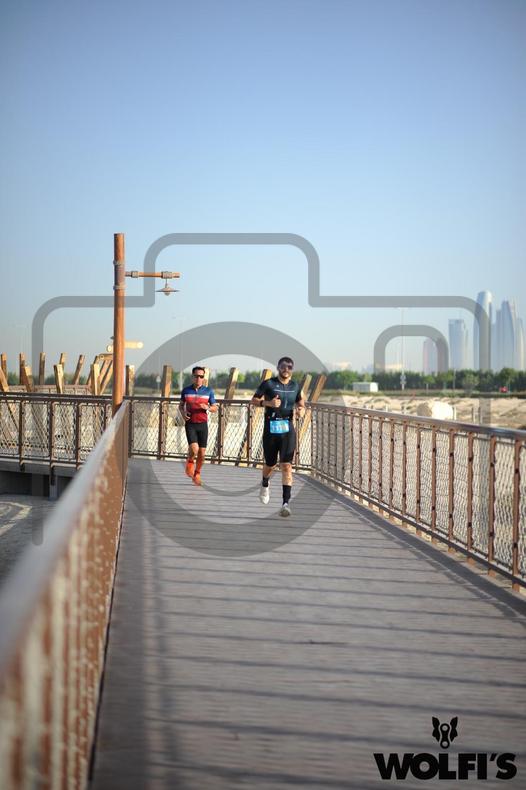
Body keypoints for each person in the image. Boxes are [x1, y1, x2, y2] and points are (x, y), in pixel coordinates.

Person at [251, 356, 305, 516]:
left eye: (289, 367)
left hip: (288, 430)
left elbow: (301, 403)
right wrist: (268, 403)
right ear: (278, 367)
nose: (286, 369)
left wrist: (301, 410)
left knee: (286, 465)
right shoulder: (268, 384)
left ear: (292, 369)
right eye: (283, 366)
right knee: (270, 464)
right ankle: (265, 483)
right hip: (271, 429)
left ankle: (285, 503)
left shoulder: (295, 386)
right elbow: (254, 400)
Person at [179, 366, 218, 486]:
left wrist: (208, 407)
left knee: (202, 453)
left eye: (201, 376)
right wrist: (183, 413)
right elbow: (181, 405)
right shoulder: (186, 390)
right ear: (192, 377)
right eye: (196, 376)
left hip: (203, 425)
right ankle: (190, 461)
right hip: (190, 424)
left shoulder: (208, 391)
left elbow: (215, 408)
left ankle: (197, 473)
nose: (199, 378)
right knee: (195, 449)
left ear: (203, 378)